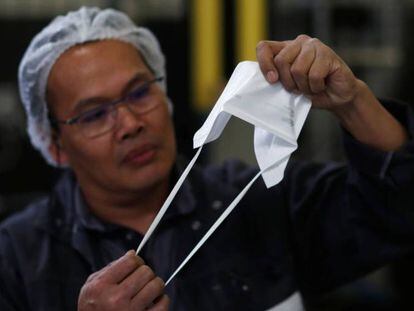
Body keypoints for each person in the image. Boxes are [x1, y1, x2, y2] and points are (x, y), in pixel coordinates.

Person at [0, 6, 414, 311]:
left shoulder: (262, 202)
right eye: (94, 114)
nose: (129, 123)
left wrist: (353, 101)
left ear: (164, 96)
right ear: (53, 143)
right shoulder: (17, 259)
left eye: (140, 92)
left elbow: (396, 212)